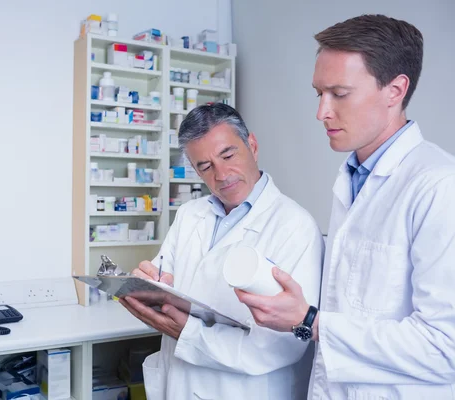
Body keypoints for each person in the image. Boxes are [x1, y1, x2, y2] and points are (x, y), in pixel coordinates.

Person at [235, 14, 455, 400]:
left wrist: (311, 322)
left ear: (395, 90)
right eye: (318, 93)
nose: (321, 111)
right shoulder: (353, 179)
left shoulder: (438, 186)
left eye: (339, 93)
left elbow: (445, 347)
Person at [119, 103, 324, 399]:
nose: (222, 174)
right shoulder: (190, 215)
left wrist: (188, 333)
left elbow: (282, 347)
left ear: (251, 145)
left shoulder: (295, 226)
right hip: (179, 385)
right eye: (205, 166)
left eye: (228, 155)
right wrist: (148, 283)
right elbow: (165, 278)